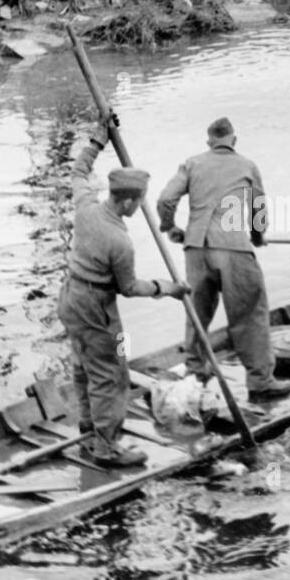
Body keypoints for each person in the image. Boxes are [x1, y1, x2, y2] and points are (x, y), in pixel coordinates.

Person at [58, 117, 189, 468]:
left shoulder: (86, 206)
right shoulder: (120, 242)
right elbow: (129, 288)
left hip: (69, 299)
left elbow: (78, 171)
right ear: (129, 201)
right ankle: (106, 448)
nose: (139, 207)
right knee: (111, 374)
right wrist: (169, 288)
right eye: (140, 200)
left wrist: (97, 141)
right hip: (97, 309)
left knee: (83, 364)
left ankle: (88, 426)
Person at [156, 118, 290, 401]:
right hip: (233, 247)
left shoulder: (192, 163)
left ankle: (195, 371)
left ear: (209, 142)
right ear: (233, 140)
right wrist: (256, 237)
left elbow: (166, 199)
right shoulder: (247, 165)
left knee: (197, 313)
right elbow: (258, 211)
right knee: (250, 314)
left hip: (196, 249)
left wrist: (170, 227)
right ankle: (260, 381)